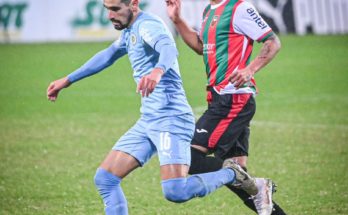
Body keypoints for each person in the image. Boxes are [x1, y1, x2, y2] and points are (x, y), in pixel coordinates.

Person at [46, 0, 259, 214]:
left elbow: (168, 48)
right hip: (149, 119)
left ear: (134, 4)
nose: (110, 15)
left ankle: (233, 173)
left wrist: (157, 71)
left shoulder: (149, 26)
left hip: (171, 118)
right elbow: (108, 55)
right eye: (107, 9)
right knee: (106, 178)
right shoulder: (131, 30)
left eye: (115, 9)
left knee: (175, 191)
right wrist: (68, 80)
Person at [166, 0, 286, 214]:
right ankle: (263, 194)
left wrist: (250, 70)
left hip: (233, 99)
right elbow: (202, 48)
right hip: (222, 98)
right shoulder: (209, 10)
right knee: (239, 178)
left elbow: (272, 41)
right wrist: (177, 20)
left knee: (190, 157)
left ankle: (258, 184)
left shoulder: (239, 8)